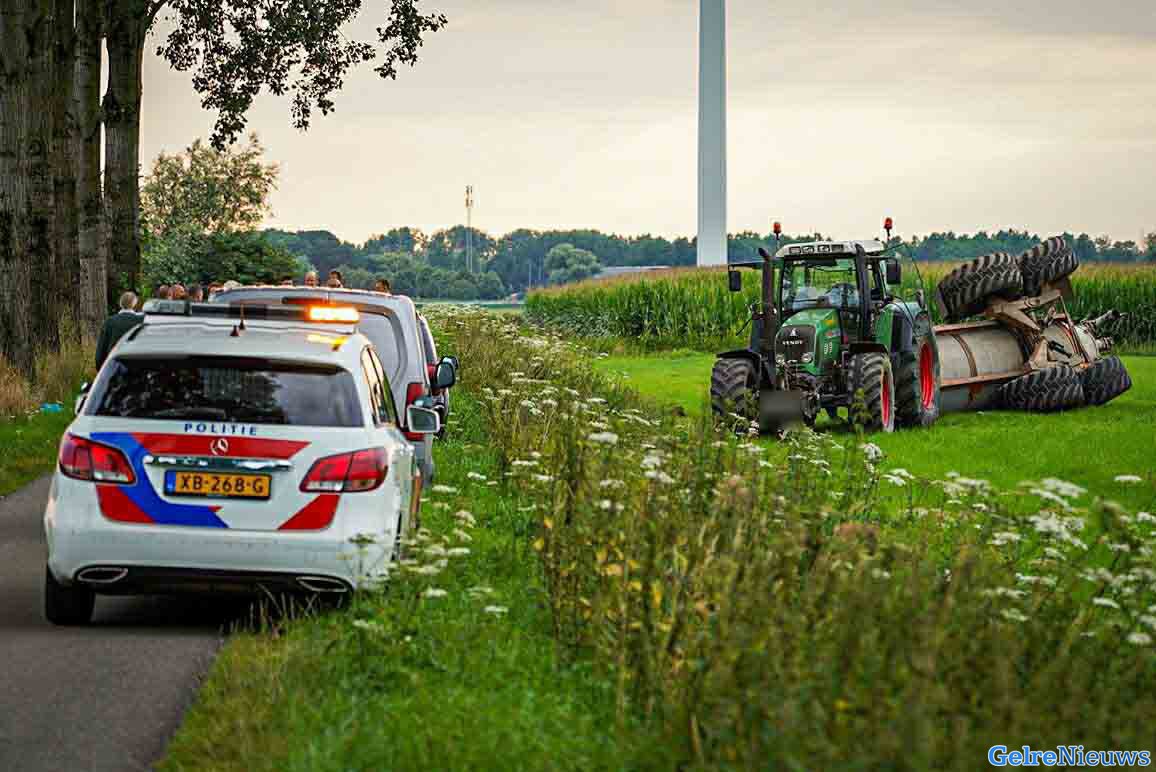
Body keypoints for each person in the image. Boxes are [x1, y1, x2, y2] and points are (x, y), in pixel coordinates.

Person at [95, 292, 143, 369]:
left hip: (114, 367)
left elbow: (101, 351)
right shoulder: (141, 321)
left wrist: (102, 370)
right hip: (137, 368)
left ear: (120, 304)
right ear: (134, 305)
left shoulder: (110, 322)